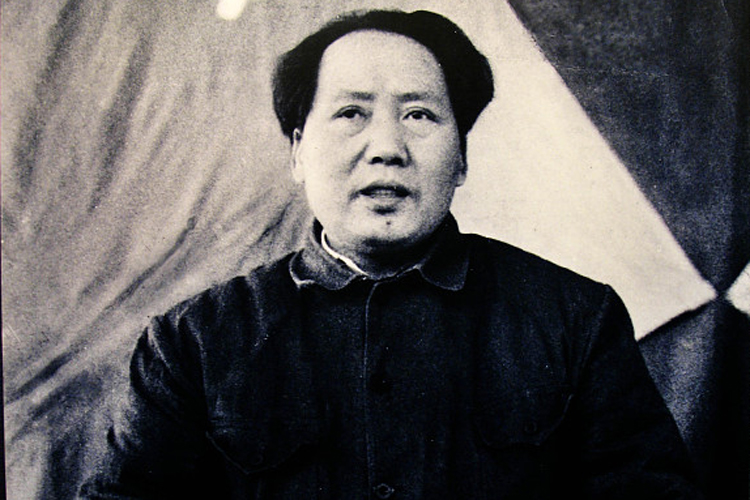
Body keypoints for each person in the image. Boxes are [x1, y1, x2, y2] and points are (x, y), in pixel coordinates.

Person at [80, 9, 704, 499]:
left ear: (462, 158)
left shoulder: (575, 320)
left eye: (419, 115)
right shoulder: (191, 343)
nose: (387, 147)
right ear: (298, 152)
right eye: (351, 112)